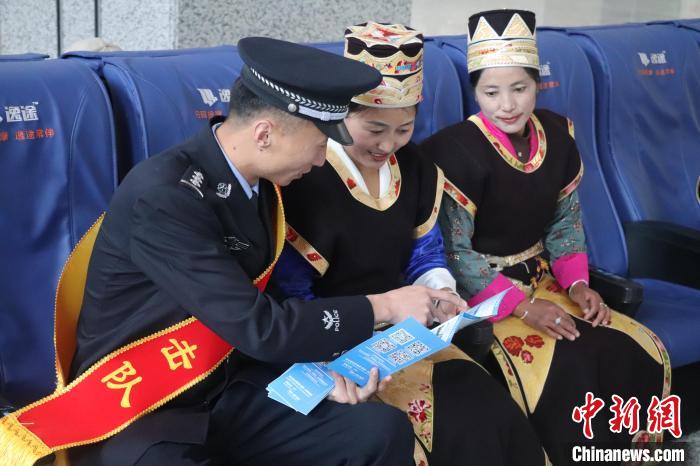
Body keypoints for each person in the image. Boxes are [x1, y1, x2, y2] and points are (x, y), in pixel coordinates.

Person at [64, 37, 465, 466]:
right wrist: (384, 305)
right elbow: (259, 325)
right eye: (319, 144)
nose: (320, 161)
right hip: (146, 404)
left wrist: (318, 371)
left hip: (228, 387)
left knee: (377, 431)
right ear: (264, 134)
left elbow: (269, 306)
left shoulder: (258, 186)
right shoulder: (164, 198)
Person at [272, 22, 547, 466]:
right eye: (374, 128)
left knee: (488, 410)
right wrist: (328, 351)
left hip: (407, 335)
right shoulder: (307, 176)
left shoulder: (416, 167)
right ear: (341, 114)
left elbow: (425, 253)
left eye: (403, 129)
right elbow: (291, 291)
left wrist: (441, 294)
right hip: (335, 340)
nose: (388, 144)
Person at [420, 10, 671, 465]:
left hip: (547, 280)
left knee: (622, 346)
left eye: (520, 88)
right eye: (491, 92)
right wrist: (523, 307)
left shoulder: (557, 133)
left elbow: (565, 223)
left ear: (538, 83)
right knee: (566, 368)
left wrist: (579, 285)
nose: (507, 105)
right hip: (489, 297)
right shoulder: (454, 152)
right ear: (475, 92)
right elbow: (457, 253)